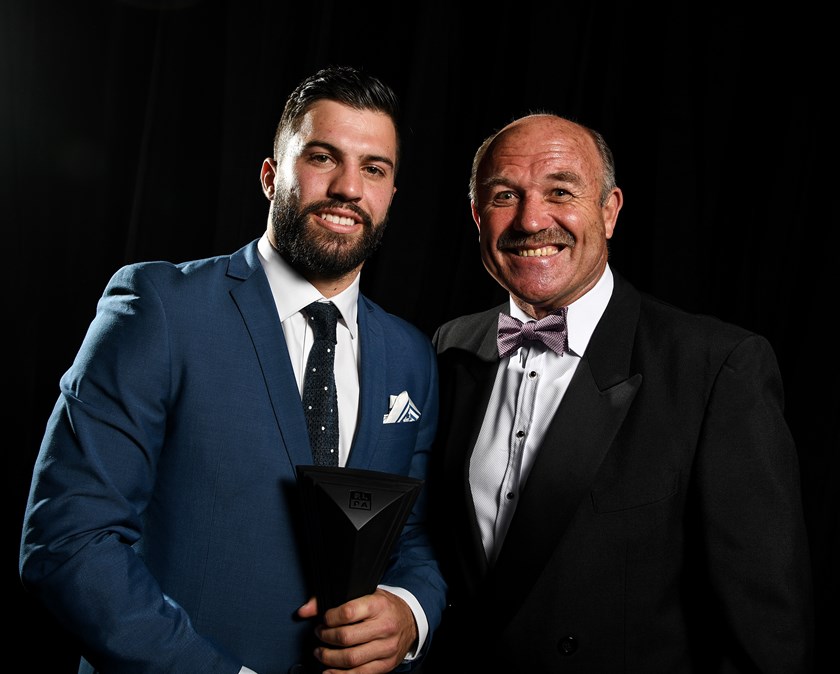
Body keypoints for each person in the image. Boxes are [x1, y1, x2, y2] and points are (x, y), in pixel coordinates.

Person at [19, 65, 446, 674]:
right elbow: (69, 540)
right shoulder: (161, 308)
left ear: (391, 196)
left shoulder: (411, 355)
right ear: (271, 177)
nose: (349, 187)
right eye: (323, 157)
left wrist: (409, 611)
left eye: (373, 168)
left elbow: (413, 536)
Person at [422, 113, 814, 672]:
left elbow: (766, 633)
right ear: (477, 216)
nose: (531, 220)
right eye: (505, 195)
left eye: (560, 191)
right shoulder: (448, 347)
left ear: (609, 211)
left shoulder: (716, 368)